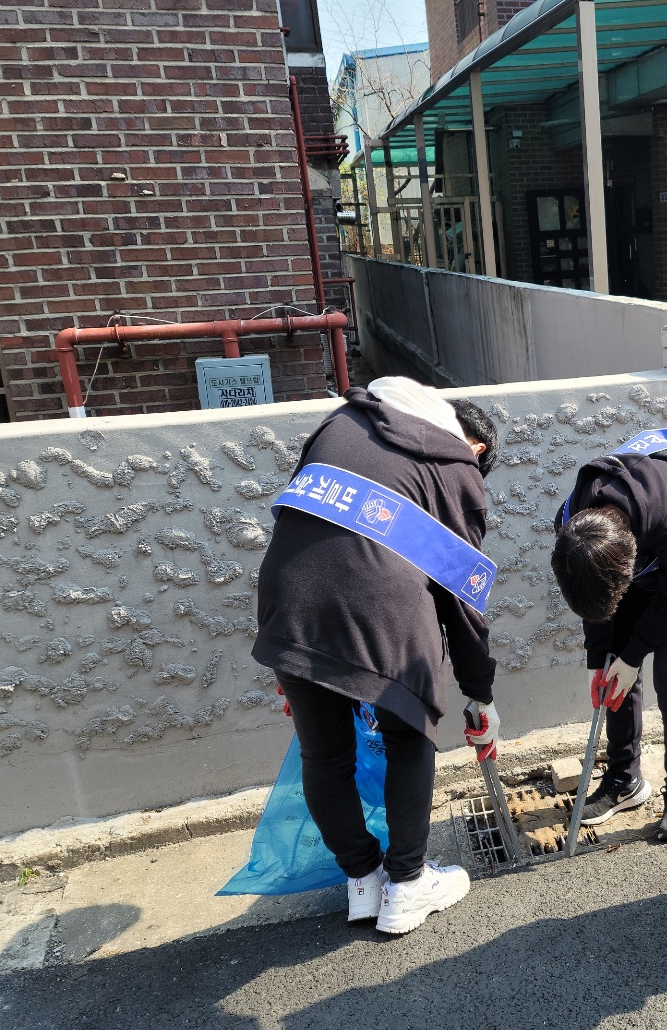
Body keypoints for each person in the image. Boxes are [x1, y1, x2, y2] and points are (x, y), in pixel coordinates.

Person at [253, 376, 502, 936]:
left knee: (325, 756)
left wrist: (297, 655)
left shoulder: (341, 422)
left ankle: (363, 882)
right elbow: (458, 592)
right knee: (409, 733)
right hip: (379, 606)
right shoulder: (455, 466)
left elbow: (308, 525)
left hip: (287, 602)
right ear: (476, 448)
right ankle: (409, 885)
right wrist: (479, 690)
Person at [550, 443, 667, 841]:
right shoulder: (574, 529)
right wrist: (599, 661)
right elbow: (596, 604)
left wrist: (634, 655)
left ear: (628, 564)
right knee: (615, 671)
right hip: (633, 559)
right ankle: (624, 780)